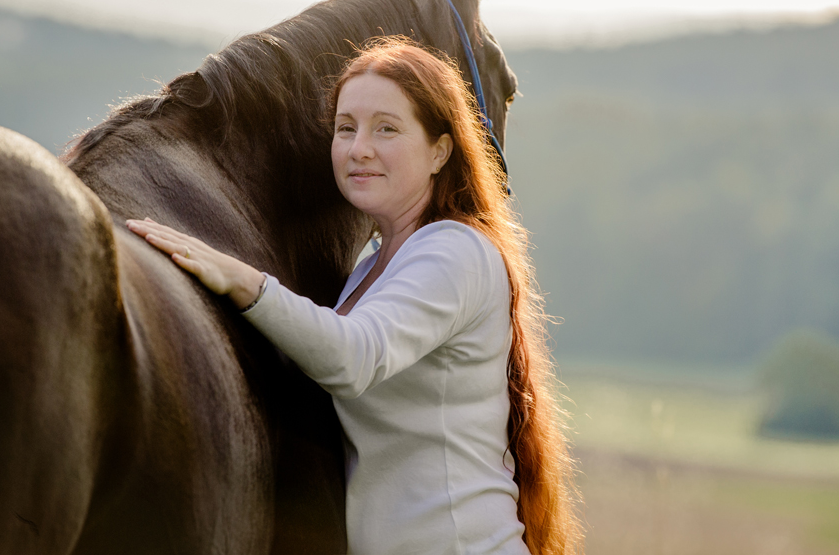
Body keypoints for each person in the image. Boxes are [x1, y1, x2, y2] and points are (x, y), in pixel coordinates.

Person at [126, 38, 581, 555]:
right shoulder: (371, 267)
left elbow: (351, 355)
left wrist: (244, 281)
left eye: (386, 128)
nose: (359, 147)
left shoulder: (456, 251)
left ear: (440, 150)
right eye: (346, 128)